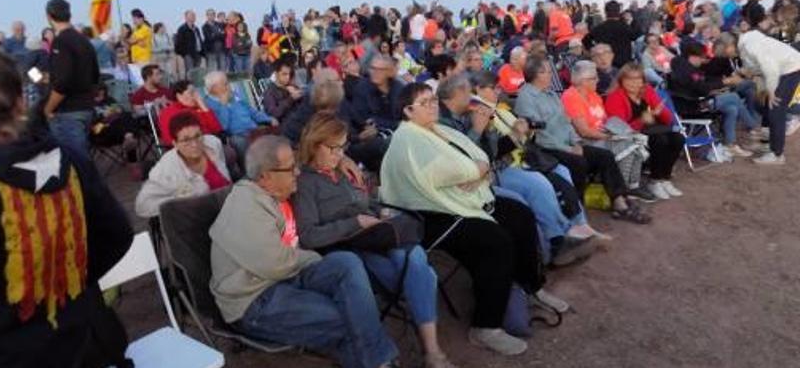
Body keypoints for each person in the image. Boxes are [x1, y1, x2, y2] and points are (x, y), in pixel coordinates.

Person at [0, 40, 133, 367]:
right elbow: (117, 236)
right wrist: (63, 286)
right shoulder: (70, 160)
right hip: (83, 344)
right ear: (20, 102)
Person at [381, 83, 568, 356]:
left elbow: (478, 155)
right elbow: (443, 172)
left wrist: (476, 171)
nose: (433, 105)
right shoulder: (407, 138)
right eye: (424, 102)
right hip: (432, 214)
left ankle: (531, 286)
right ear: (408, 111)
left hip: (464, 200)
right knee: (496, 241)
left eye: (433, 99)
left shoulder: (438, 129)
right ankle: (485, 327)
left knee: (520, 215)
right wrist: (475, 170)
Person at [209, 136, 400, 368]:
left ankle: (376, 361)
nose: (298, 172)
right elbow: (275, 264)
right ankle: (380, 362)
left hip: (287, 278)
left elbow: (318, 145)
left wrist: (342, 159)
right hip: (254, 300)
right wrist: (313, 258)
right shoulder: (246, 205)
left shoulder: (280, 194)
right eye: (291, 168)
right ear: (265, 176)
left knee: (345, 263)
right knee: (347, 316)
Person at [293, 114, 457, 368]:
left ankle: (432, 351)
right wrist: (355, 223)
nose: (339, 154)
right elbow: (309, 236)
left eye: (343, 147)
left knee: (412, 257)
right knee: (415, 269)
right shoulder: (306, 183)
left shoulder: (344, 172)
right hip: (350, 247)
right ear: (314, 145)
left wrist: (379, 209)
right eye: (333, 148)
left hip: (378, 234)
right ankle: (430, 347)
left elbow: (363, 202)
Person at [437, 74, 599, 266]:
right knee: (537, 186)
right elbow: (466, 157)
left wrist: (491, 130)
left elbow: (492, 150)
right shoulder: (445, 122)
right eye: (468, 92)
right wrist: (480, 130)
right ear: (457, 94)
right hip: (483, 177)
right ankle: (555, 244)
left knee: (558, 172)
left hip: (498, 167)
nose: (471, 97)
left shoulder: (469, 113)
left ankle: (571, 231)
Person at [514, 56, 650, 224]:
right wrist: (568, 148)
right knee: (578, 162)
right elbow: (538, 134)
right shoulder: (526, 96)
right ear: (536, 74)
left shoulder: (551, 95)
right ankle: (576, 210)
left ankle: (619, 202)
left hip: (566, 143)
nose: (551, 74)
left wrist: (575, 142)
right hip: (546, 148)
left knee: (605, 156)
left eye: (550, 71)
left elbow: (566, 122)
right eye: (547, 71)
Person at [561, 61, 656, 202]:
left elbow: (606, 121)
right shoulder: (571, 97)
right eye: (594, 78)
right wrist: (610, 136)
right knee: (628, 144)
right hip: (585, 141)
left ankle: (633, 185)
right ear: (582, 81)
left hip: (602, 135)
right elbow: (584, 131)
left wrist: (617, 133)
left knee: (636, 140)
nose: (598, 80)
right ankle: (623, 189)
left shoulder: (594, 96)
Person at [605, 63, 685, 198]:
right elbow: (619, 128)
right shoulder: (615, 97)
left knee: (678, 138)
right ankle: (654, 181)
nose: (634, 83)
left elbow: (668, 119)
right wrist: (641, 121)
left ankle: (664, 179)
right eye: (629, 79)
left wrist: (659, 112)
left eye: (638, 79)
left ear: (643, 81)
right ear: (621, 80)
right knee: (660, 140)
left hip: (652, 130)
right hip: (629, 135)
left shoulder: (647, 90)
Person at [669, 41, 761, 158]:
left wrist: (719, 85)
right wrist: (725, 82)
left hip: (696, 101)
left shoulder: (684, 67)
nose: (703, 61)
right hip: (694, 106)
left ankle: (730, 144)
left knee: (731, 108)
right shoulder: (687, 70)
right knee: (733, 97)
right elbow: (702, 88)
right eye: (701, 58)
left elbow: (702, 84)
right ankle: (754, 128)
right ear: (693, 56)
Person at [135, 111, 230, 218]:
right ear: (175, 143)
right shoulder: (166, 166)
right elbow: (142, 206)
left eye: (197, 136)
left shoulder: (213, 144)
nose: (194, 144)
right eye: (185, 140)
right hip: (201, 220)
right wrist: (182, 199)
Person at [42, 0, 100, 157]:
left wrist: (48, 109)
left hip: (68, 111)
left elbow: (62, 82)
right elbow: (95, 75)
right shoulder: (84, 41)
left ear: (49, 16)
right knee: (82, 160)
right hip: (85, 107)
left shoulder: (61, 41)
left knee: (75, 163)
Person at [737, 27, 800, 164]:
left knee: (776, 109)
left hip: (789, 69)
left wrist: (771, 91)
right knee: (763, 103)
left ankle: (777, 154)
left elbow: (770, 70)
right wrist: (764, 89)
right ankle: (766, 144)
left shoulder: (750, 46)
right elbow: (760, 70)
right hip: (782, 69)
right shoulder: (747, 43)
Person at [203, 71, 275, 158]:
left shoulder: (234, 96)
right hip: (237, 135)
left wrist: (268, 119)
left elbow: (252, 111)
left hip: (254, 130)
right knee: (240, 143)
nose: (228, 86)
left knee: (274, 138)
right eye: (225, 84)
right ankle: (249, 170)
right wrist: (224, 105)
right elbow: (223, 126)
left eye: (227, 82)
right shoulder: (209, 104)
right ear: (213, 88)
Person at [156, 80, 222, 146]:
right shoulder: (174, 112)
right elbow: (214, 130)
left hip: (201, 142)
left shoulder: (194, 108)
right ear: (179, 96)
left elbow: (216, 128)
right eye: (191, 93)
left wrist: (202, 106)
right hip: (187, 147)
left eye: (196, 92)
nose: (196, 96)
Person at [351, 55, 404, 133]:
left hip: (400, 132)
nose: (375, 72)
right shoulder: (361, 88)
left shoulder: (398, 87)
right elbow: (364, 119)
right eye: (373, 68)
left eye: (380, 70)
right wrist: (395, 124)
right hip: (375, 135)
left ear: (389, 72)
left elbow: (405, 114)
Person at [584, 0, 635, 68]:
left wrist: (594, 49)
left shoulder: (599, 28)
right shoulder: (624, 27)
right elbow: (634, 36)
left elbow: (585, 40)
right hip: (624, 66)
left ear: (606, 12)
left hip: (606, 64)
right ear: (619, 11)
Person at [262, 57, 303, 122]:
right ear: (276, 74)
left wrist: (300, 96)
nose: (288, 77)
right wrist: (291, 98)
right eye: (284, 74)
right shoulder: (270, 92)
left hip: (300, 120)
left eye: (289, 74)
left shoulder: (292, 87)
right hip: (286, 124)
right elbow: (274, 113)